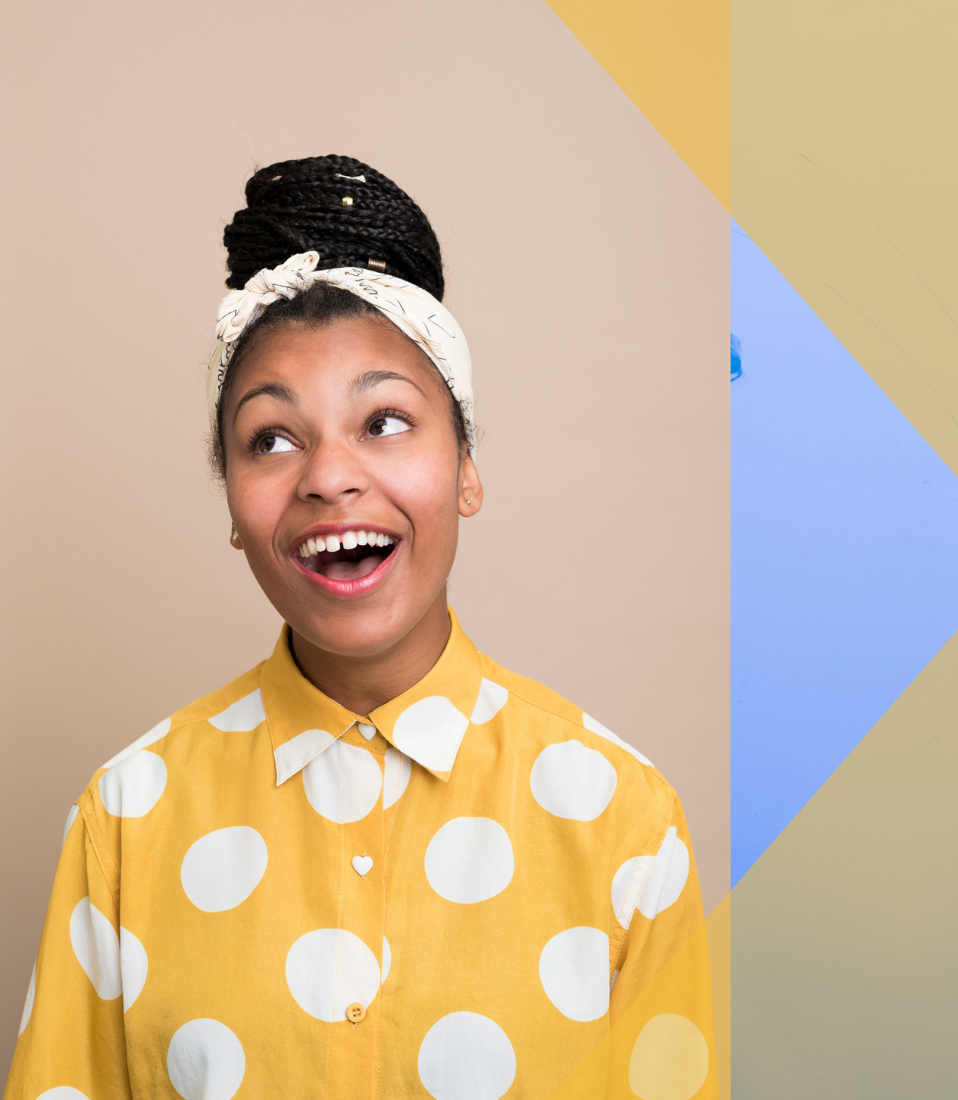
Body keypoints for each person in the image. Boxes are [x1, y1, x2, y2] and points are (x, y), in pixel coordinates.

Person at [5, 156, 712, 1100]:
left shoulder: (625, 819)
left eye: (383, 422)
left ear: (465, 469)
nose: (328, 476)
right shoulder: (126, 818)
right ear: (231, 507)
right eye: (272, 438)